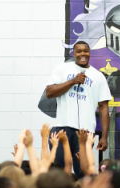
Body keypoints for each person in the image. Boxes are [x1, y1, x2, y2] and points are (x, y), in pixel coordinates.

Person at [44, 41, 111, 179]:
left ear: (89, 53)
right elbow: (49, 92)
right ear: (73, 53)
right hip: (62, 128)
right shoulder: (62, 68)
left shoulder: (98, 76)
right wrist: (72, 82)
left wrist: (104, 136)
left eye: (85, 51)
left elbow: (104, 107)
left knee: (84, 173)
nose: (82, 54)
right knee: (59, 172)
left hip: (85, 132)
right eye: (79, 51)